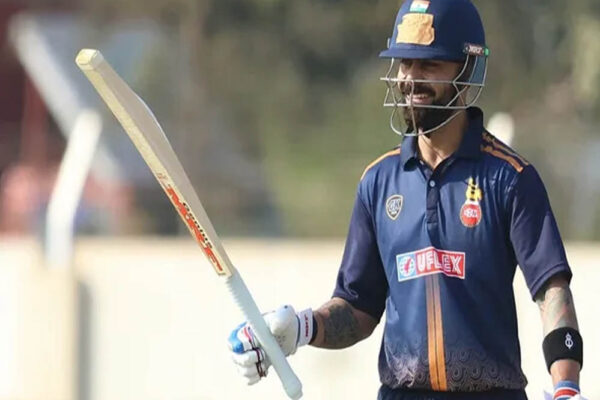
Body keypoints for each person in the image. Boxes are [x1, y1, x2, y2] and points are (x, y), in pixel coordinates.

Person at [228, 0, 585, 399]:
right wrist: (299, 327)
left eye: (428, 65)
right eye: (404, 64)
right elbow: (358, 308)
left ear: (466, 70)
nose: (410, 79)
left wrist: (566, 387)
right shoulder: (378, 182)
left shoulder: (510, 177)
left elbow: (551, 291)